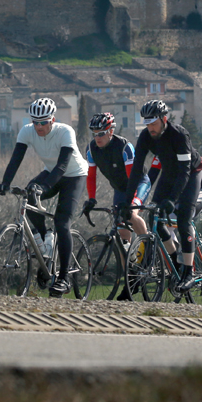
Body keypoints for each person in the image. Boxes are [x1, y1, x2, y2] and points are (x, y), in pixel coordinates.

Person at [0, 98, 88, 298]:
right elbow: (16, 159)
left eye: (43, 122)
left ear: (52, 120)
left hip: (74, 176)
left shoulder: (65, 132)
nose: (39, 126)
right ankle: (45, 241)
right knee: (28, 195)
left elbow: (62, 166)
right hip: (51, 172)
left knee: (62, 223)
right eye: (35, 122)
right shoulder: (26, 131)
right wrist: (5, 183)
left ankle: (64, 278)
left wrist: (44, 186)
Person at [123, 99, 202, 294]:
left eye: (153, 123)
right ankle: (176, 263)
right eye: (147, 124)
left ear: (164, 119)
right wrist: (128, 201)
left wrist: (172, 199)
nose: (150, 128)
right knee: (155, 217)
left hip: (191, 173)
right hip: (169, 174)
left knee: (184, 218)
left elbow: (185, 171)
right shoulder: (145, 136)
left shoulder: (178, 134)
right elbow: (137, 171)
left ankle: (189, 272)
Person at [81, 113, 151, 300]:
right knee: (121, 235)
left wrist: (130, 203)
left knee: (131, 214)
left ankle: (148, 248)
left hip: (138, 183)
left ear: (111, 132)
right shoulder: (91, 149)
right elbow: (91, 176)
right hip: (120, 188)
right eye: (94, 133)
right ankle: (131, 274)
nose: (97, 137)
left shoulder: (124, 147)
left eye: (101, 133)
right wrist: (91, 199)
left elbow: (132, 178)